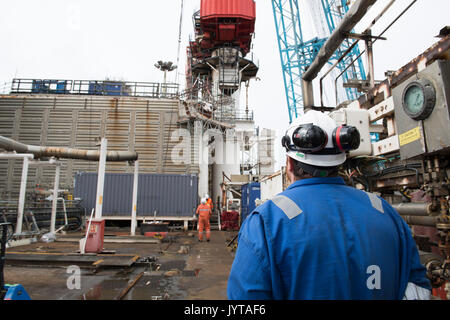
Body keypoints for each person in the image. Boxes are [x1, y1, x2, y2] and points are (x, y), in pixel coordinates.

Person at [227, 110, 431, 300]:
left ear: (289, 163)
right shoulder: (385, 212)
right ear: (340, 161)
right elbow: (418, 290)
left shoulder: (266, 221)